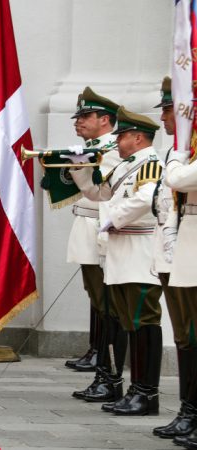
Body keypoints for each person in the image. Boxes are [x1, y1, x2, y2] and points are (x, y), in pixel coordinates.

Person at [69, 106, 163, 416]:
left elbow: (144, 198)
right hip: (120, 254)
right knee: (127, 322)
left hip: (139, 253)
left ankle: (146, 393)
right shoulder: (126, 166)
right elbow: (98, 193)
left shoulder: (150, 165)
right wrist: (80, 166)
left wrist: (107, 220)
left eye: (121, 136)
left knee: (141, 322)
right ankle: (135, 389)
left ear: (137, 138)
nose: (117, 140)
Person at [62, 89, 128, 405]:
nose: (79, 122)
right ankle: (101, 364)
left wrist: (77, 158)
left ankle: (107, 371)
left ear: (104, 120)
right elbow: (88, 189)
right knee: (98, 301)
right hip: (88, 224)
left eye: (85, 117)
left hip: (103, 228)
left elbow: (101, 190)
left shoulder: (113, 148)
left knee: (109, 306)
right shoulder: (91, 148)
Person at [150, 76, 197, 441]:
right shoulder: (183, 149)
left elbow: (179, 180)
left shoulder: (182, 154)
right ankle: (189, 410)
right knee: (185, 335)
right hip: (181, 248)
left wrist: (179, 157)